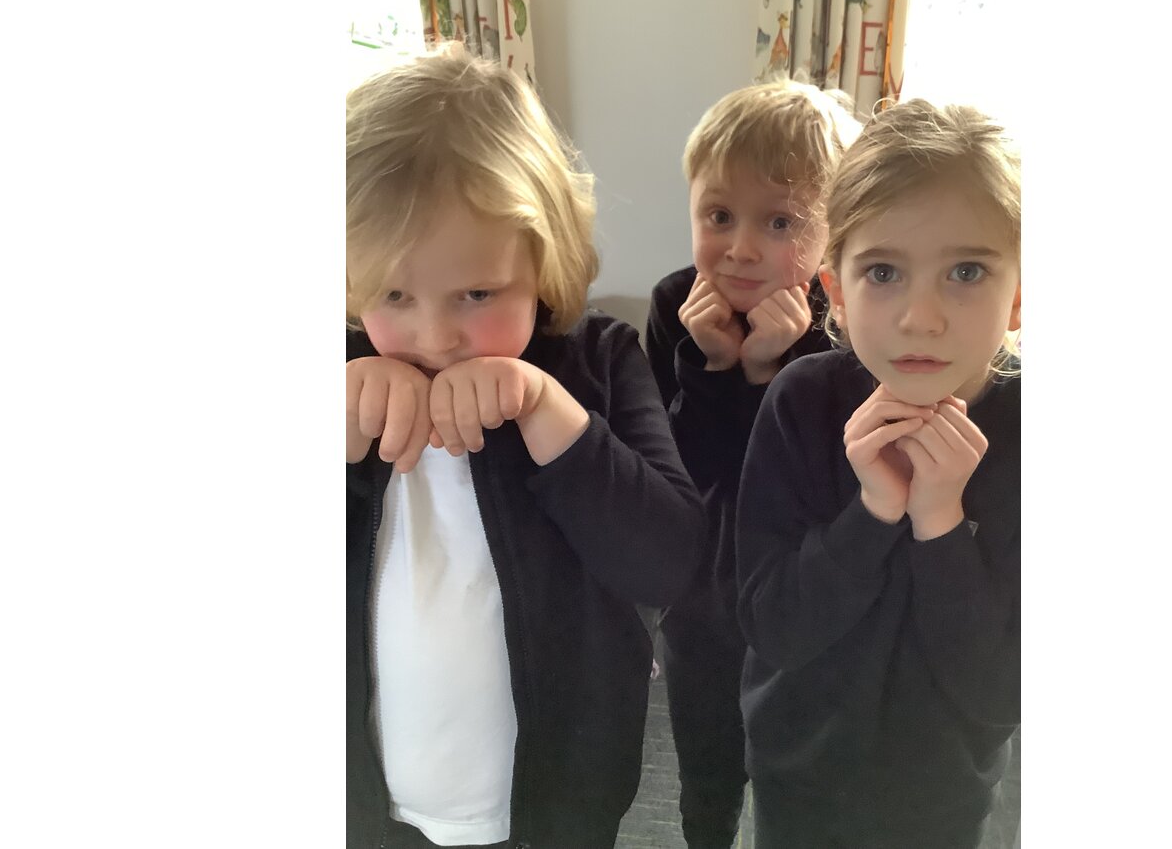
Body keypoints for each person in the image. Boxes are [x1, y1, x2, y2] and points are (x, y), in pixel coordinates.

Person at [345, 43, 705, 849]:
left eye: (477, 293)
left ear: (544, 260)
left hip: (555, 806)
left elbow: (668, 562)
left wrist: (548, 413)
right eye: (393, 294)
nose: (436, 336)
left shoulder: (598, 362)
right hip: (369, 807)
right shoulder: (339, 377)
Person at [736, 99, 1022, 848]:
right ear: (836, 292)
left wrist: (942, 522)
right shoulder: (802, 402)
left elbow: (1002, 694)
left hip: (943, 802)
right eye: (884, 272)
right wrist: (872, 513)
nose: (920, 318)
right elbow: (772, 625)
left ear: (1019, 295)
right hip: (797, 783)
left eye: (966, 271)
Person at [643, 79, 861, 849]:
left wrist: (774, 372)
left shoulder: (845, 326)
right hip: (702, 605)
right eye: (718, 216)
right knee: (706, 774)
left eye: (780, 222)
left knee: (794, 776)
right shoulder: (676, 306)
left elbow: (823, 488)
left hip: (802, 608)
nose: (739, 247)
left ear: (836, 232)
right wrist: (713, 371)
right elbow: (673, 477)